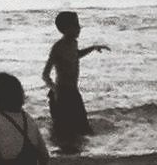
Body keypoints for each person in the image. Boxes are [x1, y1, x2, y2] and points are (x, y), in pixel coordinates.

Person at [42, 12, 109, 150]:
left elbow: (76, 55)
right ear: (66, 28)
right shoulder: (58, 47)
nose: (79, 28)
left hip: (73, 92)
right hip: (62, 94)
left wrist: (92, 48)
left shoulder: (73, 43)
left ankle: (78, 159)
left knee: (81, 130)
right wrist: (55, 91)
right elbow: (45, 75)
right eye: (76, 25)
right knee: (65, 133)